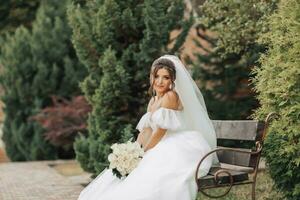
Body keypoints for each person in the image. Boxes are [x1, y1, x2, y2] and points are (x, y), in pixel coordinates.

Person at [78, 55, 217, 200]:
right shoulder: (153, 100)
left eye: (166, 77)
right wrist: (133, 150)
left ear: (172, 80)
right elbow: (146, 130)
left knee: (149, 172)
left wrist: (143, 153)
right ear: (151, 77)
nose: (160, 81)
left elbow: (160, 132)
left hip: (174, 143)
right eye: (157, 76)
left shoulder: (171, 96)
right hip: (158, 142)